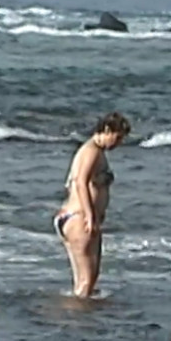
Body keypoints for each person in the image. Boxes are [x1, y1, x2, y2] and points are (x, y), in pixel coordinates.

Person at [54, 111, 130, 297]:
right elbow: (80, 182)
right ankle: (78, 320)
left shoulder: (95, 152)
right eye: (117, 138)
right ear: (106, 130)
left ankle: (81, 318)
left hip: (78, 217)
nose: (119, 144)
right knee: (86, 281)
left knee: (87, 280)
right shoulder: (91, 151)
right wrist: (89, 215)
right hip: (79, 219)